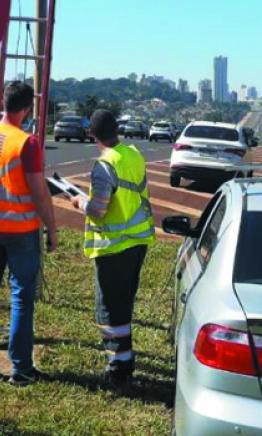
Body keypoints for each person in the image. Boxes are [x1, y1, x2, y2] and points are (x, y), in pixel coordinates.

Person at [0, 81, 58, 385]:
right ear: (27, 108)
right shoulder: (25, 143)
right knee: (21, 297)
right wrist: (52, 229)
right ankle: (21, 369)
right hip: (20, 229)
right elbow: (39, 192)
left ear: (1, 104)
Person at [73, 109, 156, 383]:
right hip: (138, 242)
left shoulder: (104, 165)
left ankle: (119, 369)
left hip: (114, 247)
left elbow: (98, 210)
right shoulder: (133, 154)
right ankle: (125, 359)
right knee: (124, 303)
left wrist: (78, 202)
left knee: (110, 307)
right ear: (116, 130)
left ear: (92, 134)